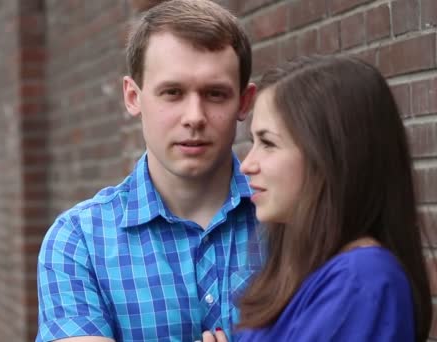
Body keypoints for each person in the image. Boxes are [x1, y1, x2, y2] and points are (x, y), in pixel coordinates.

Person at [36, 0, 261, 341]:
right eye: (172, 93)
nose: (194, 117)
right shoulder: (78, 241)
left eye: (215, 94)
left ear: (244, 102)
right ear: (133, 97)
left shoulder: (292, 223)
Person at [203, 55, 433, 342]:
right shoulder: (313, 271)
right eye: (254, 142)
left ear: (330, 156)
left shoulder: (361, 281)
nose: (247, 164)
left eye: (269, 143)